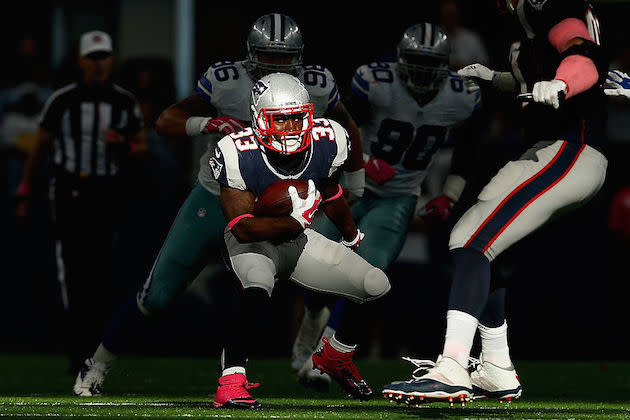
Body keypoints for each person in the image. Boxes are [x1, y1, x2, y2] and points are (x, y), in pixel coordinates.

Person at [71, 13, 364, 399]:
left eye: (283, 58)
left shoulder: (318, 86)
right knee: (156, 296)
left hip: (277, 206)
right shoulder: (227, 82)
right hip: (215, 197)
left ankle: (261, 367)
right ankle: (97, 364)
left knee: (268, 287)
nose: (275, 64)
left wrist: (354, 179)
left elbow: (348, 126)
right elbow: (166, 120)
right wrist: (208, 124)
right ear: (250, 53)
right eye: (267, 56)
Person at [383, 0, 609, 406]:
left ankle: (452, 366)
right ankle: (496, 367)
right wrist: (494, 78)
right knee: (480, 243)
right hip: (552, 148)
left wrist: (562, 84)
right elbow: (534, 74)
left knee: (472, 239)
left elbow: (583, 55)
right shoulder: (526, 32)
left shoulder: (554, 10)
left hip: (570, 148)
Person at [292, 22, 483, 389]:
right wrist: (360, 162)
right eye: (417, 62)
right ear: (399, 61)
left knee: (370, 279)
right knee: (313, 267)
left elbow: (471, 148)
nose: (424, 72)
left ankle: (325, 358)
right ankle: (313, 318)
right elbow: (336, 126)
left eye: (432, 64)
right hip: (349, 187)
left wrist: (450, 194)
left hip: (397, 197)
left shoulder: (462, 97)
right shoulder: (376, 84)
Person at [15, 30, 147, 372]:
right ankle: (77, 349)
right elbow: (40, 148)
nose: (98, 64)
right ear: (80, 61)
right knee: (73, 271)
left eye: (103, 57)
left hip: (106, 192)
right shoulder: (62, 101)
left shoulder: (123, 101)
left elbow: (141, 146)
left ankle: (94, 348)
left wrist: (123, 144)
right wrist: (25, 191)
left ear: (111, 60)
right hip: (69, 192)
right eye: (92, 57)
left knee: (101, 271)